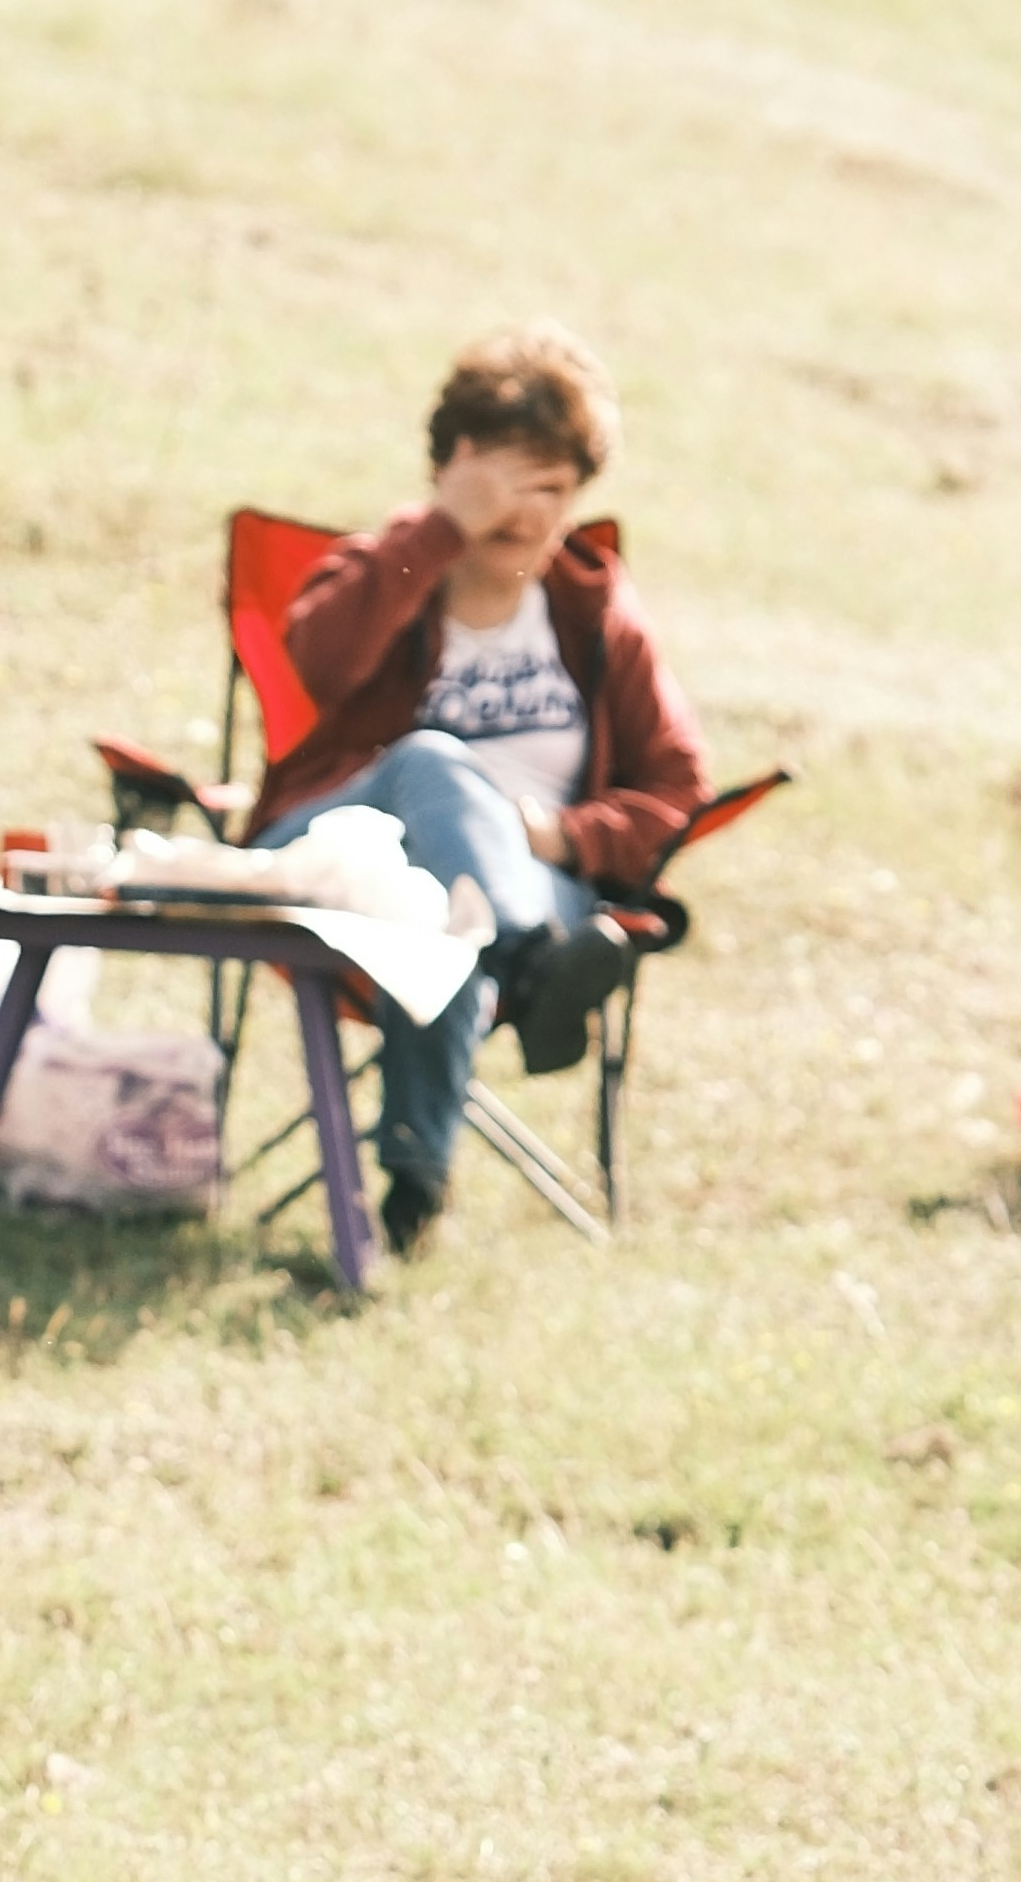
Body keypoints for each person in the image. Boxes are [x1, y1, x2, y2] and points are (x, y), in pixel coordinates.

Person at [247, 326, 712, 1255]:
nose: (525, 513)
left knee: (447, 924)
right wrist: (438, 532)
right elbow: (318, 659)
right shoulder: (391, 567)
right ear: (453, 466)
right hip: (343, 846)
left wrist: (564, 836)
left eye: (552, 489)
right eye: (503, 481)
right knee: (430, 761)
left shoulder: (588, 607)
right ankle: (534, 966)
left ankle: (413, 1191)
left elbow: (676, 784)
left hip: (517, 876)